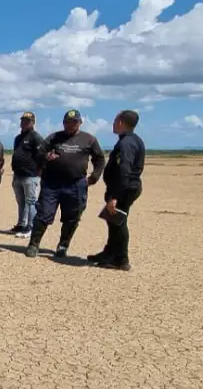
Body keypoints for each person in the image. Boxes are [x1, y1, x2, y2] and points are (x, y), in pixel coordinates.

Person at [25, 109, 106, 259]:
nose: (70, 125)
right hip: (52, 183)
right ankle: (33, 244)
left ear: (80, 123)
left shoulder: (89, 139)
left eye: (74, 122)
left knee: (72, 217)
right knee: (43, 214)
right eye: (67, 122)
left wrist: (93, 177)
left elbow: (99, 159)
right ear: (63, 123)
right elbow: (38, 153)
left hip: (76, 184)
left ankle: (63, 246)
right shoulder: (54, 137)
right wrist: (46, 156)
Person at [90, 110, 145, 270]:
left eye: (115, 121)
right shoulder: (132, 140)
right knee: (113, 221)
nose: (113, 124)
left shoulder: (126, 143)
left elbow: (124, 170)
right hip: (125, 186)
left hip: (124, 188)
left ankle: (121, 259)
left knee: (118, 222)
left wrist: (115, 196)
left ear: (121, 122)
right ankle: (109, 253)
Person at [10, 111, 44, 239]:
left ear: (33, 123)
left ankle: (31, 227)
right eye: (23, 120)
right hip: (18, 175)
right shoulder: (18, 138)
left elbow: (42, 155)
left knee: (31, 202)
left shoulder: (36, 137)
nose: (24, 123)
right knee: (21, 202)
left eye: (27, 121)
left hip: (31, 175)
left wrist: (39, 171)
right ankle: (21, 224)